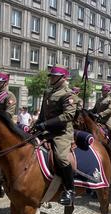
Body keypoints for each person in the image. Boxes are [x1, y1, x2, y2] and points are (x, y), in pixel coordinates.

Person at [35, 65, 76, 206]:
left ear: (62, 78)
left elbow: (68, 115)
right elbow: (42, 113)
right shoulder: (48, 92)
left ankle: (70, 190)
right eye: (51, 76)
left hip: (61, 132)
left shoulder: (68, 94)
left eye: (53, 76)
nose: (51, 78)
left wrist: (46, 124)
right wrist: (37, 124)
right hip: (46, 129)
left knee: (61, 157)